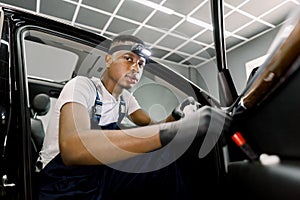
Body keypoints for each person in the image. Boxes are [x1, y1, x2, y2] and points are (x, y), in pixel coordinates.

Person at [37, 34, 231, 200]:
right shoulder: (83, 86)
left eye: (141, 63)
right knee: (161, 169)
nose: (136, 68)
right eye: (128, 59)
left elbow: (153, 126)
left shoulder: (126, 99)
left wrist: (177, 114)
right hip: (63, 180)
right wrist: (173, 131)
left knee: (161, 160)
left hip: (99, 170)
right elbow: (73, 148)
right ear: (108, 60)